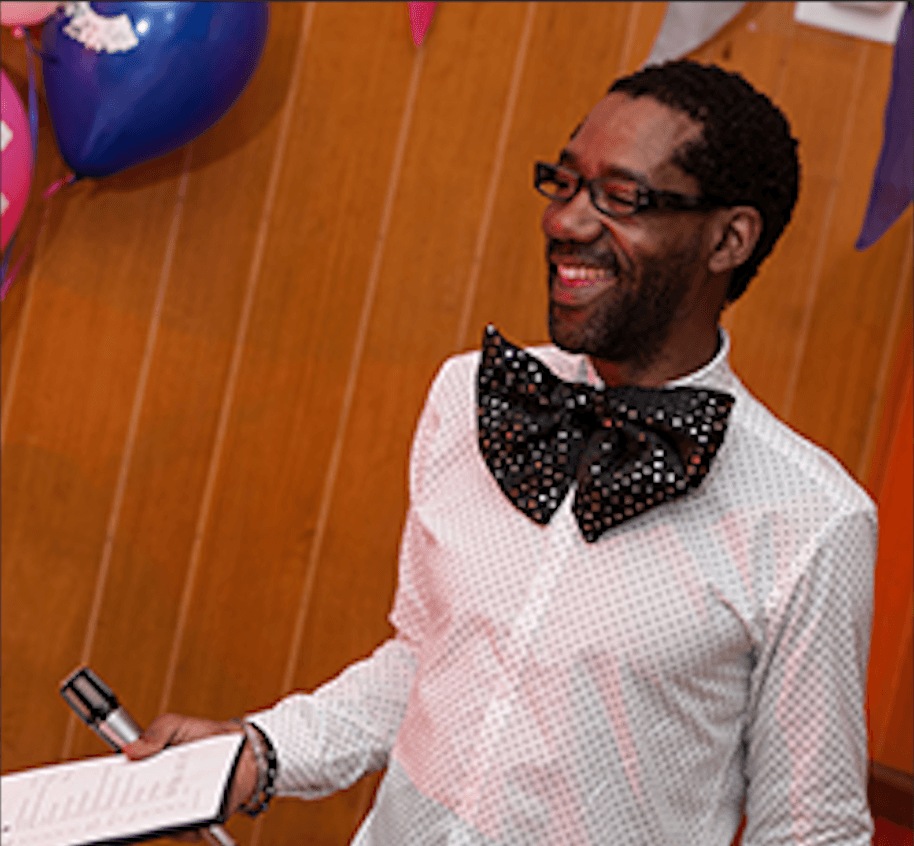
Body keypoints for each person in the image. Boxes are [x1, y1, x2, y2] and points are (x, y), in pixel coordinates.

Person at [126, 60, 877, 845]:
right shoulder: (469, 398)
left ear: (729, 238)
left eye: (620, 197)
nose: (565, 222)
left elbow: (810, 830)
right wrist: (262, 751)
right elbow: (428, 658)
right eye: (563, 182)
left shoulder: (812, 518)